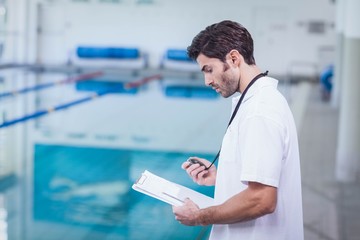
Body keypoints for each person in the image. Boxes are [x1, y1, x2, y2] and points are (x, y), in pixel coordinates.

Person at [172, 20, 304, 240]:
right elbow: (263, 178)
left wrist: (199, 216)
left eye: (209, 69)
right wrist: (223, 177)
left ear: (233, 58)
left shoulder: (259, 111)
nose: (207, 81)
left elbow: (262, 199)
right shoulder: (256, 101)